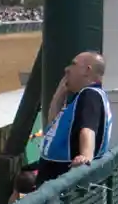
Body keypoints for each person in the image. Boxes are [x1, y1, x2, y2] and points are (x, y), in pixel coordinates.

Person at [31, 51, 110, 188]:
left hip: (62, 184)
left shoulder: (89, 95)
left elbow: (88, 129)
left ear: (87, 70)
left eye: (73, 64)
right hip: (52, 180)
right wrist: (60, 93)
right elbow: (53, 125)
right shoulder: (82, 96)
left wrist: (86, 157)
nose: (67, 69)